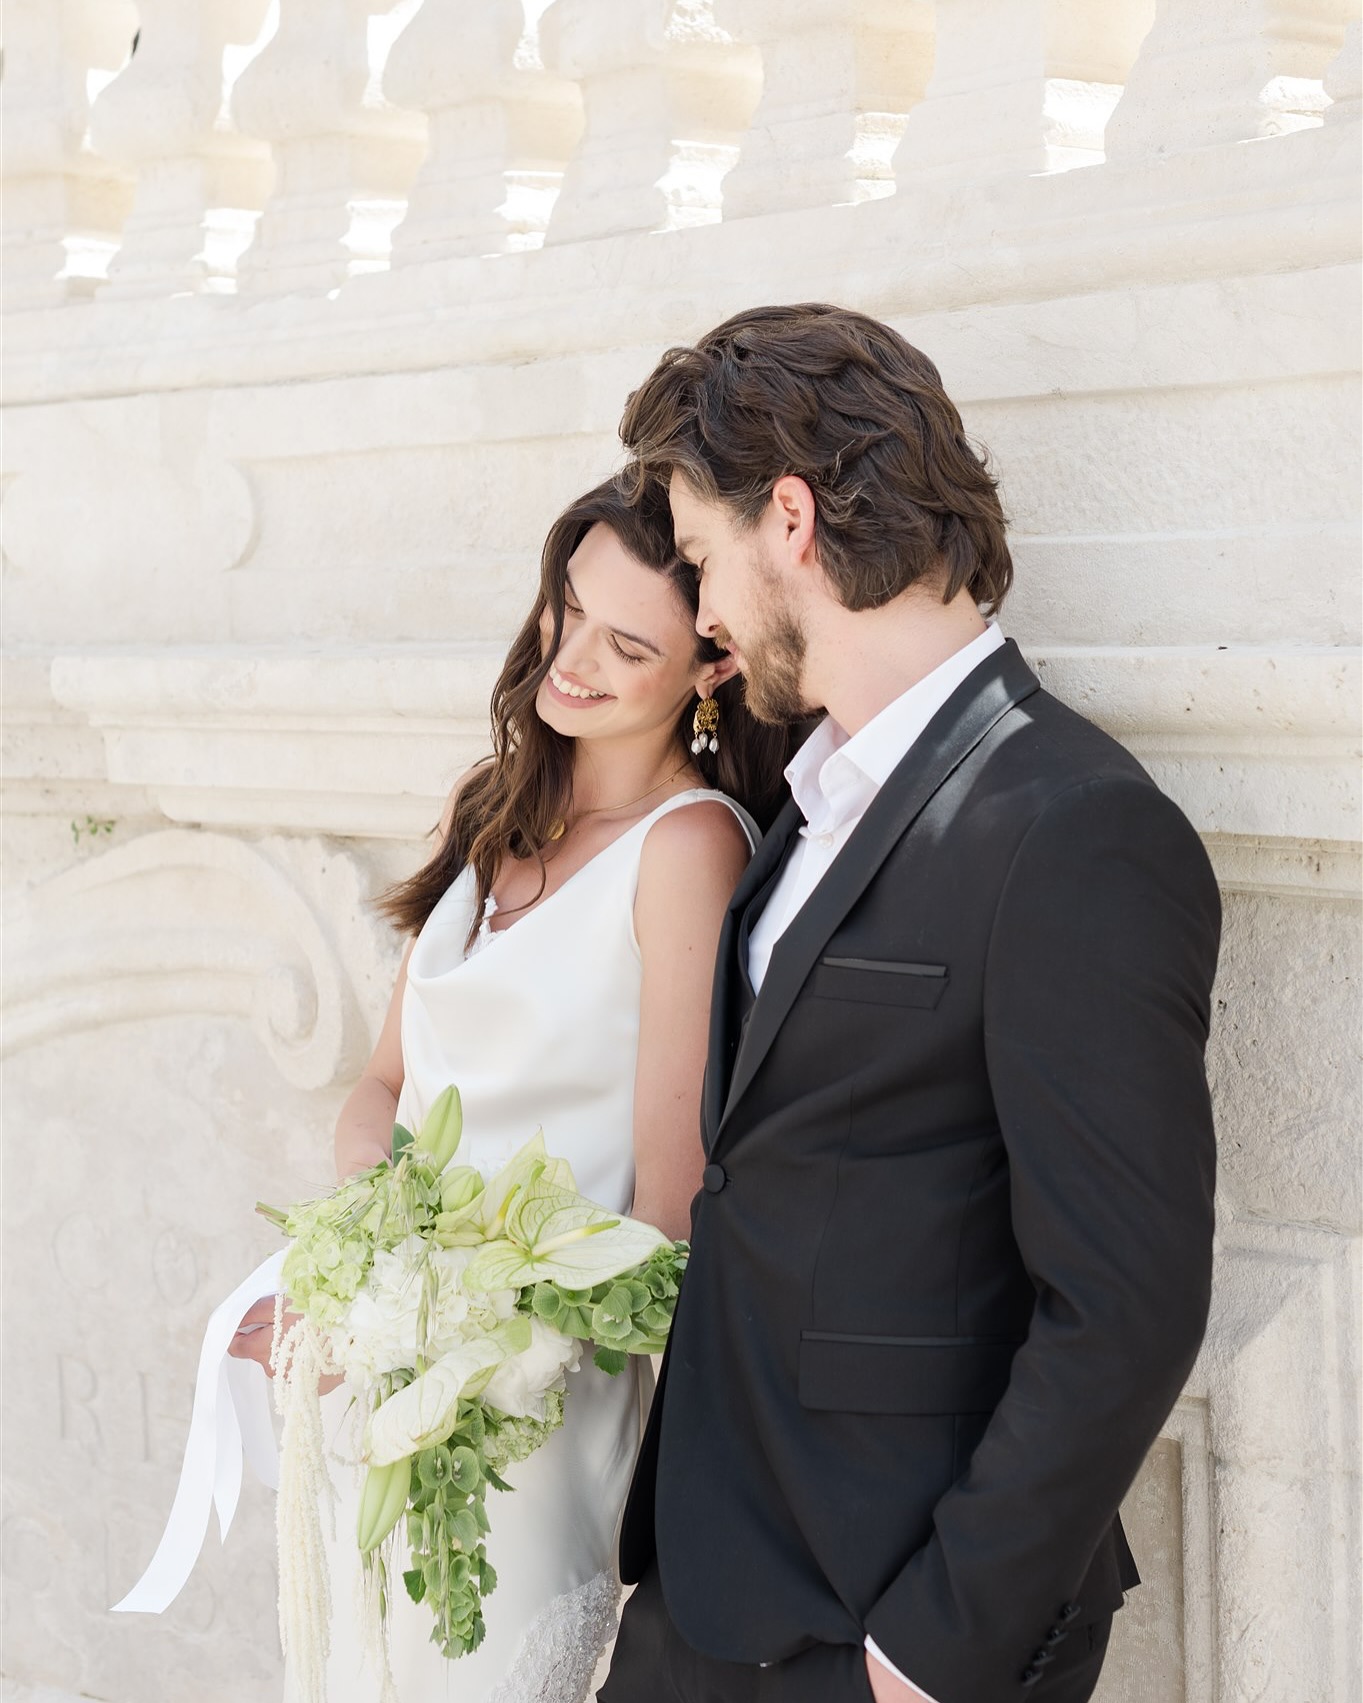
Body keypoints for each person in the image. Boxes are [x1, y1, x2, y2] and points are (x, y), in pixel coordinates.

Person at [599, 304, 1222, 1703]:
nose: (697, 613)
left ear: (793, 521)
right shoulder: (803, 794)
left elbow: (1124, 1298)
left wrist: (927, 1649)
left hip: (889, 1619)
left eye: (700, 559)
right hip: (710, 1581)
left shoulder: (1072, 827)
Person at [230, 475, 795, 1701]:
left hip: (534, 1405)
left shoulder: (686, 850)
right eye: (566, 608)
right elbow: (381, 1085)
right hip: (382, 1367)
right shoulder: (493, 812)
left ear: (708, 670)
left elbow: (666, 1206)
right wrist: (373, 1278)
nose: (572, 658)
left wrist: (462, 1330)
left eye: (626, 642)